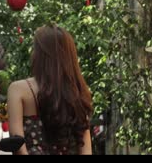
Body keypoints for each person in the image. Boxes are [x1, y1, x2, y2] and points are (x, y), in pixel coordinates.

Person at [7, 24, 93, 155]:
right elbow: (86, 150)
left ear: (41, 54)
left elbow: (17, 143)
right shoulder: (77, 93)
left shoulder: (18, 89)